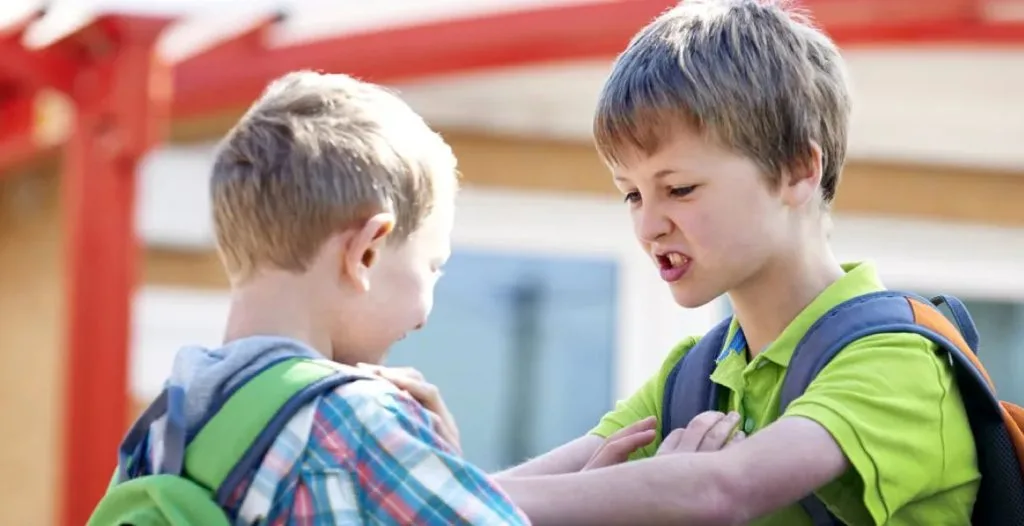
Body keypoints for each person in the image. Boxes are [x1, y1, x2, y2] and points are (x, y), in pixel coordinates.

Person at [454, 1, 979, 524]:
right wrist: (424, 481)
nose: (649, 226)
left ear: (797, 169)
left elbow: (724, 490)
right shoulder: (695, 376)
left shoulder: (898, 360)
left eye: (679, 189)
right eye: (632, 195)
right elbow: (523, 489)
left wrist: (450, 498)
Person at [123, 71, 528, 525]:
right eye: (431, 267)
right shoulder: (360, 424)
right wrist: (447, 466)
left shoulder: (165, 428)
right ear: (367, 252)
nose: (423, 319)